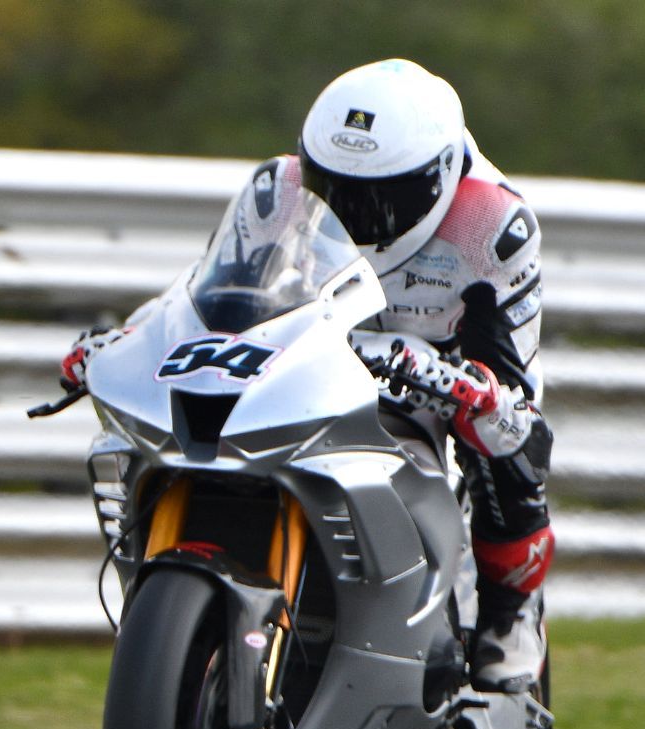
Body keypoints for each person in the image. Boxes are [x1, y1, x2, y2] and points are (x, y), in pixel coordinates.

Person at [60, 59, 551, 692]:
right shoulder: (275, 191)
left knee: (511, 449)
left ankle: (513, 618)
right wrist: (129, 342)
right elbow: (210, 295)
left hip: (433, 372)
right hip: (310, 355)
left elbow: (515, 397)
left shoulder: (495, 226)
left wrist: (467, 386)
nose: (354, 211)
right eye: (334, 188)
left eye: (380, 199)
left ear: (440, 177)